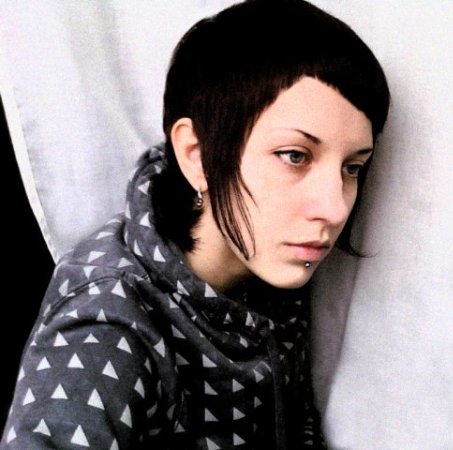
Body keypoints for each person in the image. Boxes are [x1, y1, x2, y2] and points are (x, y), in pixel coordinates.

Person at [1, 0, 389, 448]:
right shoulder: (108, 323)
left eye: (352, 167)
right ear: (197, 155)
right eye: (294, 156)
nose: (335, 208)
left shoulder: (269, 261)